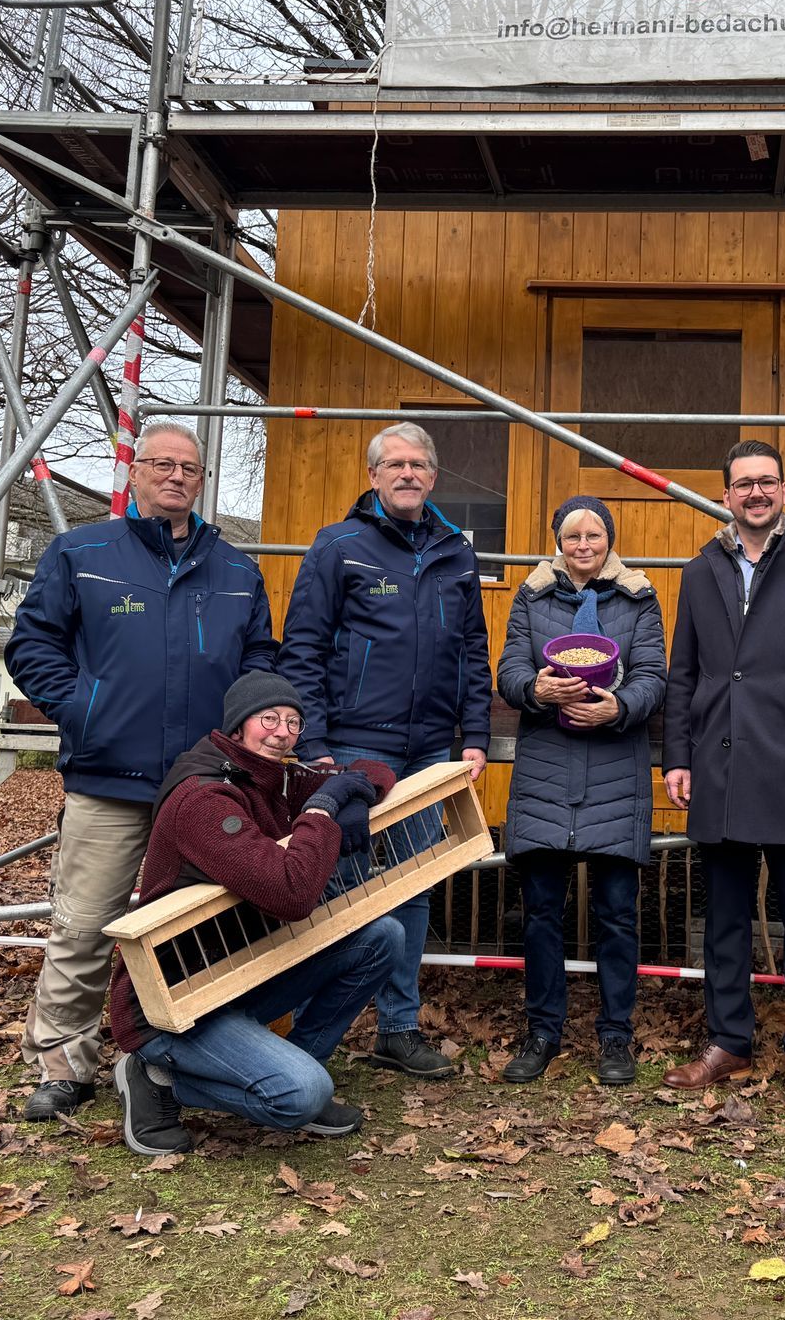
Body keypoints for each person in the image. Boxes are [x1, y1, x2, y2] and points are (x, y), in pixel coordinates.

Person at [6, 420, 277, 1122]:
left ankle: (173, 1056)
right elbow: (32, 643)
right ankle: (63, 1064)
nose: (176, 476)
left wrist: (246, 735)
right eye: (162, 464)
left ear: (202, 482)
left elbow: (260, 664)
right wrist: (84, 708)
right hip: (110, 777)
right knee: (84, 926)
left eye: (189, 468)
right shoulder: (82, 553)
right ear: (134, 473)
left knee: (199, 928)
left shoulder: (237, 572)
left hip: (204, 787)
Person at [108, 672, 402, 1156]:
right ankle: (157, 1077)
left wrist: (352, 797)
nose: (282, 733)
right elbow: (291, 894)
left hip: (240, 974)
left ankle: (288, 1066)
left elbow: (372, 769)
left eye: (293, 722)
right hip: (172, 1004)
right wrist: (323, 812)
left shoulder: (274, 776)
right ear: (238, 725)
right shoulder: (204, 798)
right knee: (302, 1095)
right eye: (269, 719)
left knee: (382, 935)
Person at [276, 422, 492, 1079]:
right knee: (337, 882)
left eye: (418, 464)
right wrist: (313, 740)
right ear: (372, 476)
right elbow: (303, 647)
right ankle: (313, 1028)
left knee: (412, 884)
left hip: (429, 748)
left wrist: (475, 736)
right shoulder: (338, 545)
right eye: (394, 464)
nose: (407, 473)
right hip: (351, 745)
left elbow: (473, 651)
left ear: (433, 477)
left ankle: (398, 1029)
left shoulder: (456, 552)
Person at [660, 441, 785, 1111]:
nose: (756, 493)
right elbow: (683, 673)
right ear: (726, 495)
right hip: (718, 766)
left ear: (784, 491)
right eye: (744, 483)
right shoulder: (700, 572)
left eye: (767, 482)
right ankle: (729, 1042)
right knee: (724, 921)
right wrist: (678, 756)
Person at [496, 496, 667, 1086]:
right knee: (541, 913)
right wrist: (536, 690)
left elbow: (653, 676)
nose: (584, 544)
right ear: (559, 541)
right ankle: (542, 1031)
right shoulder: (531, 596)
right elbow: (510, 670)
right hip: (546, 769)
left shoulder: (639, 598)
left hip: (615, 770)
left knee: (617, 914)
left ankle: (615, 1035)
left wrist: (619, 708)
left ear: (609, 540)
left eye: (594, 534)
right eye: (573, 535)